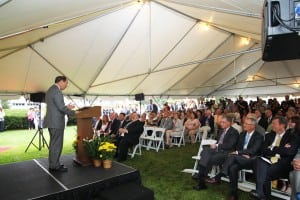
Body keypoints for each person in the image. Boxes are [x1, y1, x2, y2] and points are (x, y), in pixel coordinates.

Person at [207, 116, 263, 200]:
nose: (244, 125)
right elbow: (237, 147)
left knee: (232, 155)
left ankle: (220, 175)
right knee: (232, 168)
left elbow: (253, 150)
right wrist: (240, 153)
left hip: (251, 160)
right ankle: (234, 194)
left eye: (247, 124)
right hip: (240, 158)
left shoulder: (258, 136)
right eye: (244, 123)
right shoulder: (242, 134)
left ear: (253, 126)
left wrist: (240, 153)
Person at [251, 116, 298, 200]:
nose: (272, 125)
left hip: (282, 164)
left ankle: (261, 194)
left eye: (274, 124)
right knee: (258, 161)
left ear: (282, 125)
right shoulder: (269, 135)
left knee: (264, 172)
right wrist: (282, 148)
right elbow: (263, 151)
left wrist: (273, 148)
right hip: (267, 160)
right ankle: (261, 194)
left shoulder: (292, 136)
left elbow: (289, 152)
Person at [193, 114, 239, 191]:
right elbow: (218, 141)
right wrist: (215, 145)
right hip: (217, 150)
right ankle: (202, 175)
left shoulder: (234, 132)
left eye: (223, 122)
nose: (221, 124)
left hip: (226, 153)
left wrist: (217, 145)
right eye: (221, 122)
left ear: (229, 123)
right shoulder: (221, 130)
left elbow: (230, 145)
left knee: (207, 158)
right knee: (205, 151)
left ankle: (201, 178)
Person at [43, 76, 76, 172]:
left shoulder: (50, 90)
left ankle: (53, 163)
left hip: (52, 122)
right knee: (56, 144)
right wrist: (75, 113)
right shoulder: (57, 91)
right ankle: (55, 166)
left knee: (54, 144)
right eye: (66, 83)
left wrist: (67, 107)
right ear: (61, 81)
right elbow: (61, 108)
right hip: (56, 123)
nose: (67, 85)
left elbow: (57, 107)